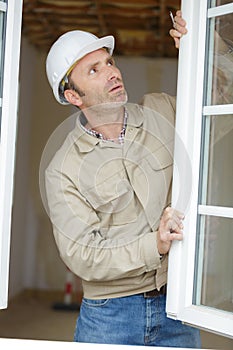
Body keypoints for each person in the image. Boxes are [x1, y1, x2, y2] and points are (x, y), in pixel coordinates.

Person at [44, 10, 201, 347]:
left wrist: (204, 43)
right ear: (74, 96)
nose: (112, 73)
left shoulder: (163, 111)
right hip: (109, 315)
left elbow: (221, 100)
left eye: (109, 62)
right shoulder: (62, 169)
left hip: (177, 304)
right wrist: (154, 245)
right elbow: (83, 256)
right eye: (94, 70)